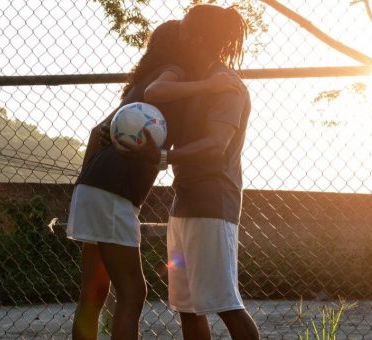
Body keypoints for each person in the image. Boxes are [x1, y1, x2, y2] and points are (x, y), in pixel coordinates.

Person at [68, 20, 243, 340]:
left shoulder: (139, 83)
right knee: (133, 293)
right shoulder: (173, 71)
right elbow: (157, 92)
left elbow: (97, 132)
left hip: (92, 186)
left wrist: (84, 184)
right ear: (178, 45)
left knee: (92, 294)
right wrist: (207, 87)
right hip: (114, 191)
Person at [118, 5, 260, 340]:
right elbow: (155, 92)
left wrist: (164, 157)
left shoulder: (228, 85)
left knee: (226, 303)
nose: (177, 31)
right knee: (188, 306)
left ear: (197, 38)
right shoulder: (199, 80)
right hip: (185, 201)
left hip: (213, 202)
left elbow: (216, 145)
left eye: (184, 27)